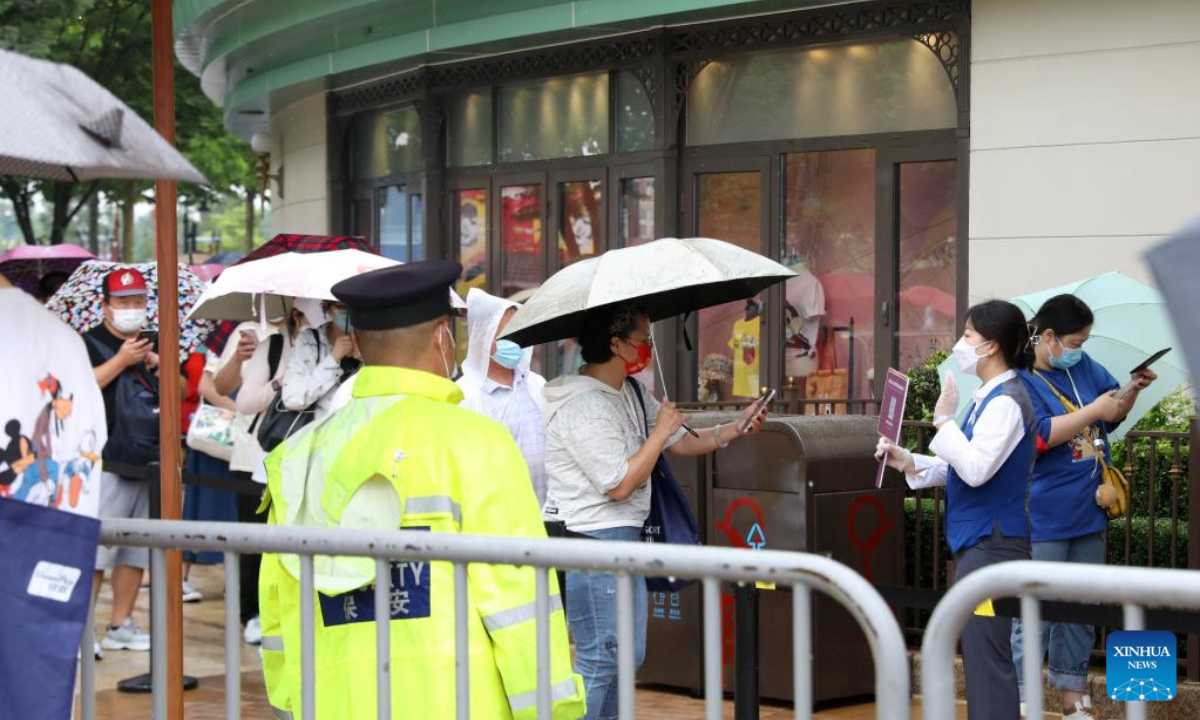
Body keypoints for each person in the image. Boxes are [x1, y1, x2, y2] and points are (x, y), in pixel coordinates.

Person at [258, 261, 585, 719]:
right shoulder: (477, 441)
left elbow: (277, 611)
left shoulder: (300, 455)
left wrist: (292, 708)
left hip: (334, 703)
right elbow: (519, 599)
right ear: (440, 338)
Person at [541, 302, 767, 720]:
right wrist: (660, 430)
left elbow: (679, 441)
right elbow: (619, 482)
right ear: (615, 345)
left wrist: (735, 428)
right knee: (601, 657)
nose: (648, 348)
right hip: (592, 541)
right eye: (643, 340)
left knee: (629, 655)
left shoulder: (629, 392)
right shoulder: (581, 404)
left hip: (624, 542)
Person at [877, 300, 1035, 720]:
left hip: (994, 542)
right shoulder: (988, 398)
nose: (960, 344)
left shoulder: (1007, 401)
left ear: (992, 346)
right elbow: (956, 468)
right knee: (981, 655)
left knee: (987, 658)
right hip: (982, 541)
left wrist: (944, 421)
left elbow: (977, 469)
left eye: (967, 336)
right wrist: (908, 460)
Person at [1010, 295, 1156, 720]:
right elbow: (1038, 436)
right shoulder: (1019, 380)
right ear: (1049, 337)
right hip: (1044, 513)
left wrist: (1128, 393)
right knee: (1034, 609)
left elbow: (1110, 417)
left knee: (1081, 607)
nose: (1080, 349)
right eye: (1075, 340)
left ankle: (1073, 697)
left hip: (1090, 509)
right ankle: (1024, 696)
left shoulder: (1085, 366)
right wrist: (1095, 409)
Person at [83, 268, 159, 653]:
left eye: (138, 301)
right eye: (123, 302)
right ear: (105, 305)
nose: (131, 308)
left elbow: (179, 390)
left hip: (148, 460)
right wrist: (121, 360)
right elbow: (79, 387)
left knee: (135, 548)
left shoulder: (154, 340)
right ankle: (82, 633)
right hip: (104, 460)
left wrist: (156, 365)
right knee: (96, 551)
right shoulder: (86, 342)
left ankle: (121, 625)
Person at [458, 288, 548, 504]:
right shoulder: (465, 395)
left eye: (518, 332)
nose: (515, 341)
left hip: (545, 515)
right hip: (498, 518)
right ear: (483, 337)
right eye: (506, 334)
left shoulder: (536, 384)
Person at [279, 299, 359, 422]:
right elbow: (292, 398)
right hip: (316, 433)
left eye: (355, 307)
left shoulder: (370, 341)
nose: (349, 313)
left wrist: (363, 355)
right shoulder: (309, 340)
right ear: (328, 307)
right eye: (342, 307)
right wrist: (333, 358)